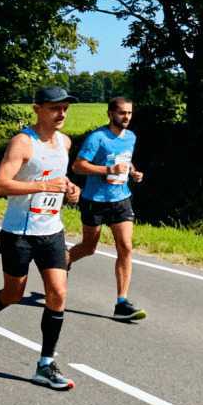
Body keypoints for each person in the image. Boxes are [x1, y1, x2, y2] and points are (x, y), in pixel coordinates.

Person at [0, 86, 82, 390]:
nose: (61, 114)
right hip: (19, 232)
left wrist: (72, 191)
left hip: (52, 232)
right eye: (54, 108)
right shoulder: (22, 143)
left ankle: (45, 364)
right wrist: (43, 186)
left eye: (65, 109)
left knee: (58, 293)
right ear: (38, 109)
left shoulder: (65, 142)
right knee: (14, 294)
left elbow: (62, 182)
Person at [67, 97, 147, 321]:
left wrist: (133, 172)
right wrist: (107, 169)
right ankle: (64, 260)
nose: (127, 117)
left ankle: (122, 302)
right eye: (122, 113)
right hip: (95, 200)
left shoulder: (130, 137)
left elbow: (126, 160)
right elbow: (78, 166)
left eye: (130, 113)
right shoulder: (98, 138)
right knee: (89, 247)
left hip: (121, 199)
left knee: (126, 247)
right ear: (110, 113)